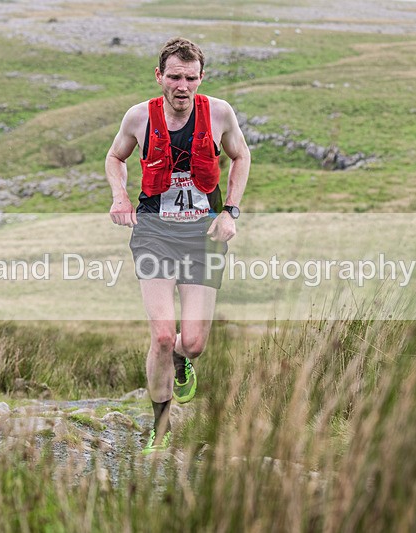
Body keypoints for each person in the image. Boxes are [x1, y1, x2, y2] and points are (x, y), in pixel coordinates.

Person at [105, 37, 250, 454]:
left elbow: (241, 156)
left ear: (200, 78)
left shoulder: (220, 113)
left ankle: (184, 362)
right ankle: (160, 424)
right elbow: (114, 157)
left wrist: (231, 211)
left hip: (203, 233)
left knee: (193, 343)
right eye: (173, 77)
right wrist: (119, 196)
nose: (181, 86)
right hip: (155, 232)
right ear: (159, 77)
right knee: (164, 336)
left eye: (190, 78)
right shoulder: (138, 118)